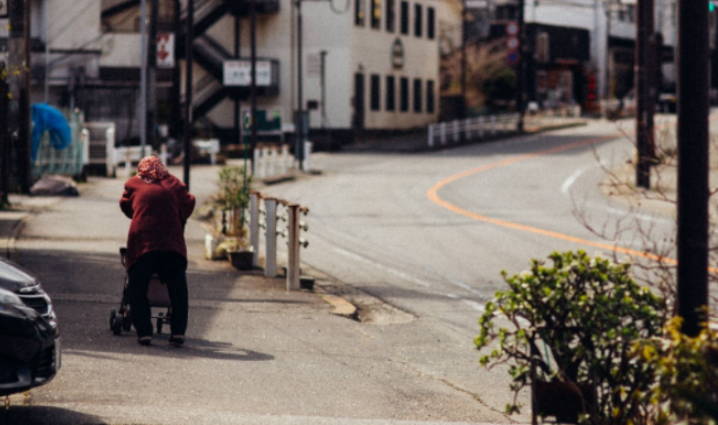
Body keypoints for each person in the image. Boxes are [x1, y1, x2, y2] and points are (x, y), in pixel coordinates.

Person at [120, 156, 195, 346]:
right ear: (162, 167)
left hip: (143, 244)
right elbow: (189, 202)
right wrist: (178, 215)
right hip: (172, 244)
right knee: (178, 289)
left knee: (137, 287)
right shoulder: (173, 182)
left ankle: (144, 332)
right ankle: (178, 333)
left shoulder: (134, 183)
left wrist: (139, 213)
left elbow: (125, 205)